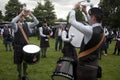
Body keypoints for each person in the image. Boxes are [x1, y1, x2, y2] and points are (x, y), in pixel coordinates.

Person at [69, 2, 104, 80]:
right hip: (94, 66)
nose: (89, 18)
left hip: (84, 68)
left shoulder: (90, 30)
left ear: (94, 18)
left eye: (91, 16)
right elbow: (93, 23)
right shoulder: (102, 30)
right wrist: (85, 12)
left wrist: (74, 8)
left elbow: (71, 21)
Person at [11, 10, 39, 80]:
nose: (22, 17)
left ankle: (24, 75)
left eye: (23, 16)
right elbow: (12, 22)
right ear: (19, 17)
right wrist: (20, 14)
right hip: (18, 47)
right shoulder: (16, 25)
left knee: (25, 62)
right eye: (21, 16)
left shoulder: (27, 24)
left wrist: (31, 14)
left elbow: (37, 22)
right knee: (19, 63)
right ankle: (19, 75)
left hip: (26, 47)